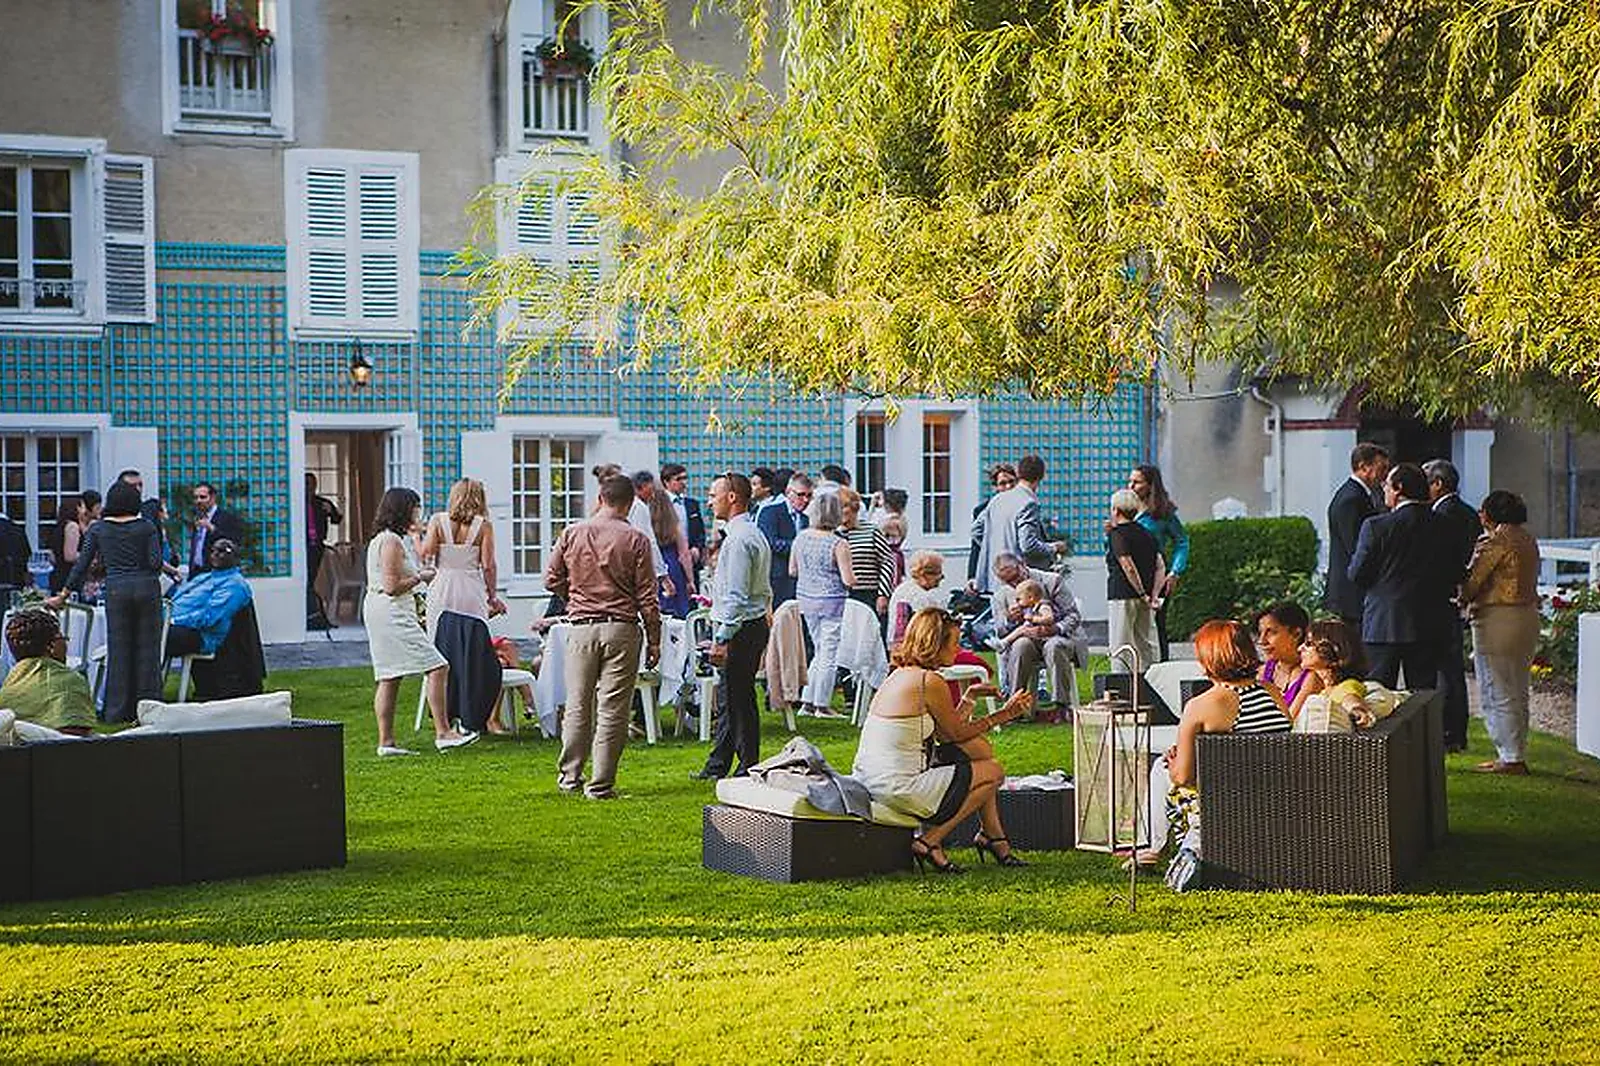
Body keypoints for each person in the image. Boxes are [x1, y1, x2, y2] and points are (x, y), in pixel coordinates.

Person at [851, 608, 1035, 874]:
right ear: (935, 644)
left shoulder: (900, 674)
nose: (959, 649)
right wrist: (1005, 714)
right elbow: (954, 735)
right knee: (993, 772)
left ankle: (994, 838)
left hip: (871, 781)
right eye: (955, 642)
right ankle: (930, 841)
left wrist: (969, 697)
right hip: (898, 788)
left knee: (982, 765)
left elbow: (944, 732)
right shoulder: (928, 680)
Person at [1143, 620, 1290, 889]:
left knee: (1161, 769)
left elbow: (1183, 777)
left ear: (1207, 659)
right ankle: (1166, 847)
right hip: (1275, 798)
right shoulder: (1272, 692)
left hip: (1225, 806)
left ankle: (1155, 848)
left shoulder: (1201, 706)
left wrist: (1175, 761)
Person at [545, 474, 661, 799]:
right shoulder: (637, 539)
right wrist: (654, 638)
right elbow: (647, 597)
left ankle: (570, 777)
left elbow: (550, 577)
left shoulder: (572, 532)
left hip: (582, 626)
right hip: (622, 626)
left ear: (600, 498)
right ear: (630, 503)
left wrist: (574, 598)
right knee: (613, 709)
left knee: (578, 705)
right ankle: (600, 784)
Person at [364, 487, 478, 757]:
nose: (418, 512)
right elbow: (392, 586)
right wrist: (422, 577)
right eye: (415, 507)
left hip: (381, 610)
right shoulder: (390, 542)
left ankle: (386, 742)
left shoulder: (384, 539)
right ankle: (443, 733)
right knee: (437, 666)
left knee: (389, 675)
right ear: (403, 510)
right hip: (390, 611)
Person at [47, 482, 163, 724]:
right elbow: (155, 562)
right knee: (147, 651)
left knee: (119, 651)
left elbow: (81, 565)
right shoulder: (147, 527)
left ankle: (117, 710)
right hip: (146, 588)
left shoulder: (98, 529)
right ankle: (149, 709)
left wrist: (64, 594)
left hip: (117, 590)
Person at [693, 472, 773, 780]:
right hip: (747, 623)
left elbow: (737, 594)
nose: (710, 501)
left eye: (714, 495)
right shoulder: (748, 533)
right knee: (730, 699)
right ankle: (719, 763)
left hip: (742, 628)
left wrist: (722, 636)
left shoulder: (740, 540)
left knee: (739, 701)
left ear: (732, 497)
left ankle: (747, 765)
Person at [1347, 462, 1454, 690]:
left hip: (1384, 620)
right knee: (1423, 694)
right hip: (1429, 619)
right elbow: (1452, 571)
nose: (1384, 489)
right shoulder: (1444, 525)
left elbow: (1357, 573)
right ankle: (1426, 728)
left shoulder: (1377, 526)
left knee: (1378, 693)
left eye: (1386, 485)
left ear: (1398, 488)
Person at [1460, 490, 1540, 775]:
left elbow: (1474, 581)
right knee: (1518, 686)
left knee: (1496, 686)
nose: (1480, 516)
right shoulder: (1527, 539)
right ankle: (1516, 750)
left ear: (1492, 514)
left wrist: (1460, 597)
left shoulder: (1495, 540)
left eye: (1483, 511)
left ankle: (1509, 756)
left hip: (1497, 617)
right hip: (1527, 615)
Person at [419, 479, 507, 736]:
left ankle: (444, 714)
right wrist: (492, 596)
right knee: (471, 650)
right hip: (470, 588)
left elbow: (426, 553)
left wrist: (416, 537)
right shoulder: (484, 526)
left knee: (442, 650)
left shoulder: (437, 521)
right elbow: (489, 565)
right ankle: (469, 713)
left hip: (442, 587)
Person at [1424, 458, 1482, 752]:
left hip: (1442, 599)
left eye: (1426, 480)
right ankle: (1456, 732)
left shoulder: (1441, 517)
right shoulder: (1468, 512)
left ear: (1437, 484)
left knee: (1444, 670)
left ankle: (1449, 733)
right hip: (1454, 598)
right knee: (1452, 669)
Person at [989, 553, 1089, 712]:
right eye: (1008, 582)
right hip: (1028, 640)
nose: (1014, 584)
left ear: (1022, 565)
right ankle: (1015, 705)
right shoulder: (1001, 595)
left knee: (1054, 646)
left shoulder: (1051, 581)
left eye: (1016, 577)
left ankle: (1060, 706)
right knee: (1021, 645)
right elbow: (1000, 630)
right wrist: (1010, 620)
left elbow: (1073, 615)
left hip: (1059, 636)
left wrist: (1055, 628)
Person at [790, 489, 855, 718]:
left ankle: (808, 700)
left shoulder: (801, 537)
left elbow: (793, 570)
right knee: (829, 653)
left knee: (819, 650)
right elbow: (848, 579)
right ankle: (822, 704)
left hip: (806, 598)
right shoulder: (838, 543)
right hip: (832, 601)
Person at [969, 455, 1064, 593]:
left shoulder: (997, 499)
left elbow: (976, 531)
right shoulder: (1028, 502)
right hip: (1018, 580)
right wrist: (1054, 547)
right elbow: (1028, 545)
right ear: (1041, 477)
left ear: (1018, 474)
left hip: (994, 575)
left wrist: (994, 549)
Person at [1325, 442, 1391, 633]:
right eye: (1381, 468)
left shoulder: (1361, 495)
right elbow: (1357, 547)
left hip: (1355, 591)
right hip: (1351, 593)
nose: (1385, 474)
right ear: (1364, 467)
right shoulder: (1351, 499)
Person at [0, 610, 97, 736]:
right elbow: (77, 739)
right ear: (51, 646)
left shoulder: (7, 691)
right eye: (62, 638)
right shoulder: (70, 681)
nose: (65, 643)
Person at [1129, 464, 1189, 660]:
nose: (1131, 486)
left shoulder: (1163, 513)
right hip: (1131, 574)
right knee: (1133, 626)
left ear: (1150, 485)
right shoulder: (1126, 508)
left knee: (1157, 624)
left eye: (1137, 482)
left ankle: (1162, 666)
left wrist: (1175, 571)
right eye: (1130, 481)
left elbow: (1182, 541)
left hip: (1157, 575)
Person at [163, 539, 253, 659]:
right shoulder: (203, 577)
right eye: (213, 550)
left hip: (199, 634)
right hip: (172, 624)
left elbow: (211, 617)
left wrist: (173, 621)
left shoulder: (235, 584)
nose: (215, 554)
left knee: (149, 635)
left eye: (221, 551)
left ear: (234, 557)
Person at [1106, 488, 1163, 672]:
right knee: (1146, 642)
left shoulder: (1117, 535)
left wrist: (1140, 591)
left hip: (1122, 594)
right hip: (1145, 597)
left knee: (1121, 643)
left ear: (1115, 510)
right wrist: (1151, 595)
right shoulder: (1148, 534)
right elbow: (1160, 566)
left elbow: (1127, 565)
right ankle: (1152, 682)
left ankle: (1121, 687)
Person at [594, 463, 671, 595]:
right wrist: (662, 575)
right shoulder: (637, 506)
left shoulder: (594, 514)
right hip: (626, 574)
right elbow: (648, 541)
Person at [1298, 619, 1375, 728]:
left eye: (1309, 644)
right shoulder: (1328, 689)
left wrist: (1357, 711)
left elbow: (1350, 698)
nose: (1300, 648)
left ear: (1333, 652)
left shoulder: (1346, 685)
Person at [1255, 600, 1323, 720]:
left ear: (1296, 634)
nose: (1262, 641)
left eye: (1271, 632)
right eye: (1260, 633)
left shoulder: (1311, 678)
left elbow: (1287, 724)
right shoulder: (1262, 672)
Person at [838, 487, 893, 622]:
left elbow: (887, 561)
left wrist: (883, 594)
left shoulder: (871, 531)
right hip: (840, 596)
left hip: (869, 594)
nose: (840, 512)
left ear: (855, 509)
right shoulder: (832, 533)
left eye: (844, 507)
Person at [757, 472, 813, 605]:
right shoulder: (770, 512)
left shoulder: (807, 519)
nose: (805, 500)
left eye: (809, 495)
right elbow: (771, 543)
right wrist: (803, 546)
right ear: (788, 492)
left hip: (802, 583)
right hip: (778, 581)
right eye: (801, 495)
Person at [647, 489, 695, 618]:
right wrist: (690, 580)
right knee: (678, 613)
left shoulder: (646, 526)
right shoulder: (674, 525)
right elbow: (684, 554)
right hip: (674, 568)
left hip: (653, 569)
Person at [306, 472, 343, 628]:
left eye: (311, 484)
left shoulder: (321, 502)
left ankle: (315, 615)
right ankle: (313, 614)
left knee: (311, 579)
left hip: (317, 546)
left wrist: (331, 511)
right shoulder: (296, 502)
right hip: (302, 545)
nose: (309, 487)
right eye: (306, 484)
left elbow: (337, 520)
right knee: (307, 581)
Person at [660, 463, 707, 582]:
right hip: (669, 560)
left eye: (685, 478)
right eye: (678, 479)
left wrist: (697, 547)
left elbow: (700, 531)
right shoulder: (659, 505)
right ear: (666, 482)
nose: (683, 482)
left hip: (691, 559)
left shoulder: (692, 504)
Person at [188, 482, 245, 575]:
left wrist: (212, 529)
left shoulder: (226, 517)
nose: (198, 501)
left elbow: (234, 541)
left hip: (216, 573)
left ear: (213, 498)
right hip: (197, 572)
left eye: (203, 497)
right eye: (196, 497)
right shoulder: (198, 517)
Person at [139, 498, 182, 584]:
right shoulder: (150, 534)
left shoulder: (163, 531)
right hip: (158, 579)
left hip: (168, 578)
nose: (166, 512)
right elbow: (156, 560)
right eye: (163, 509)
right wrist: (174, 571)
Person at [48, 497, 84, 592]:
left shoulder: (59, 527)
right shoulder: (72, 526)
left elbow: (52, 557)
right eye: (81, 507)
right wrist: (88, 555)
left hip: (57, 575)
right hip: (69, 577)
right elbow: (70, 556)